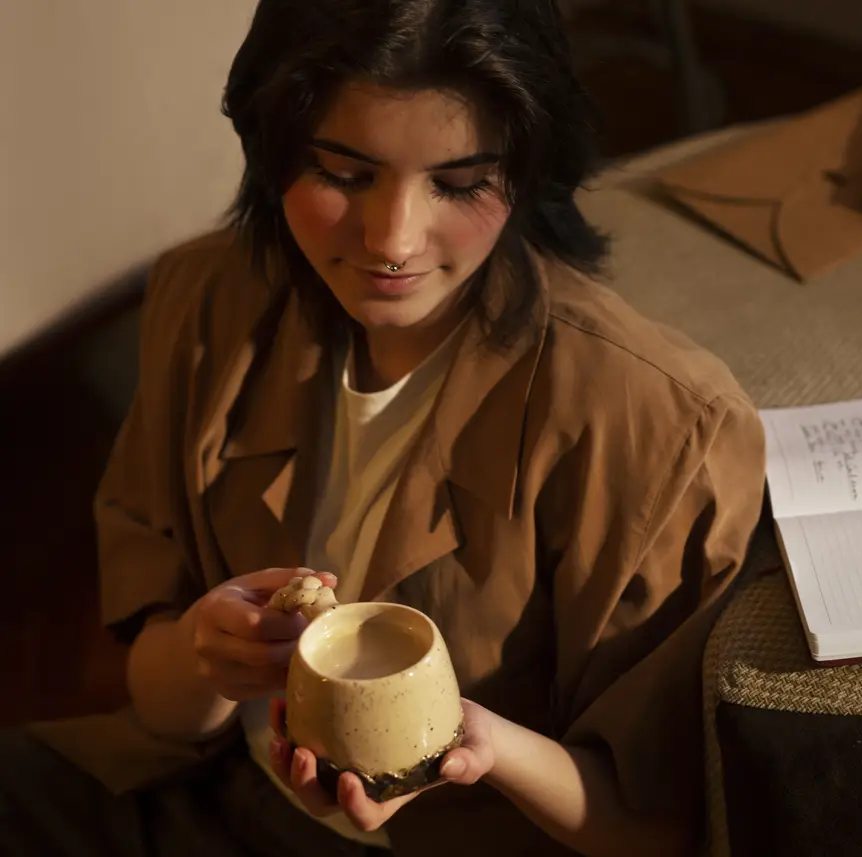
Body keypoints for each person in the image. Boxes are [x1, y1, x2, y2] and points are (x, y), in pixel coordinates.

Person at [0, 1, 767, 855]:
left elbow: (655, 825)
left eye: (459, 182)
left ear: (523, 171)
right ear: (273, 150)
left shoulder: (654, 426)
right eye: (345, 174)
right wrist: (203, 653)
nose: (392, 240)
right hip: (214, 788)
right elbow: (163, 703)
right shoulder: (206, 304)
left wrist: (490, 747)